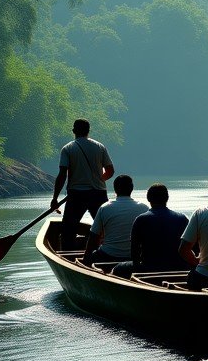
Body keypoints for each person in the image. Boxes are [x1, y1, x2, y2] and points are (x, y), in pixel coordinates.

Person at [51, 119, 114, 250]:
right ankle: (108, 252)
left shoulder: (68, 148)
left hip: (77, 195)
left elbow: (62, 174)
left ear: (74, 131)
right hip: (98, 194)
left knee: (68, 230)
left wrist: (55, 198)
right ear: (88, 131)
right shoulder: (100, 147)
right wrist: (98, 180)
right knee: (105, 228)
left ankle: (70, 258)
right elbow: (110, 171)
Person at [111, 183, 190, 278]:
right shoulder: (183, 218)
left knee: (117, 269)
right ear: (167, 198)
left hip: (149, 268)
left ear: (148, 198)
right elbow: (191, 247)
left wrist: (137, 269)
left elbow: (134, 251)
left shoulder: (141, 219)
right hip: (179, 268)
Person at [83, 174, 148, 268]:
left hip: (108, 256)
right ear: (132, 188)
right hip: (135, 257)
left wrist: (86, 258)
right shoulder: (144, 208)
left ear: (115, 189)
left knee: (92, 255)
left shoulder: (105, 208)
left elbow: (93, 237)